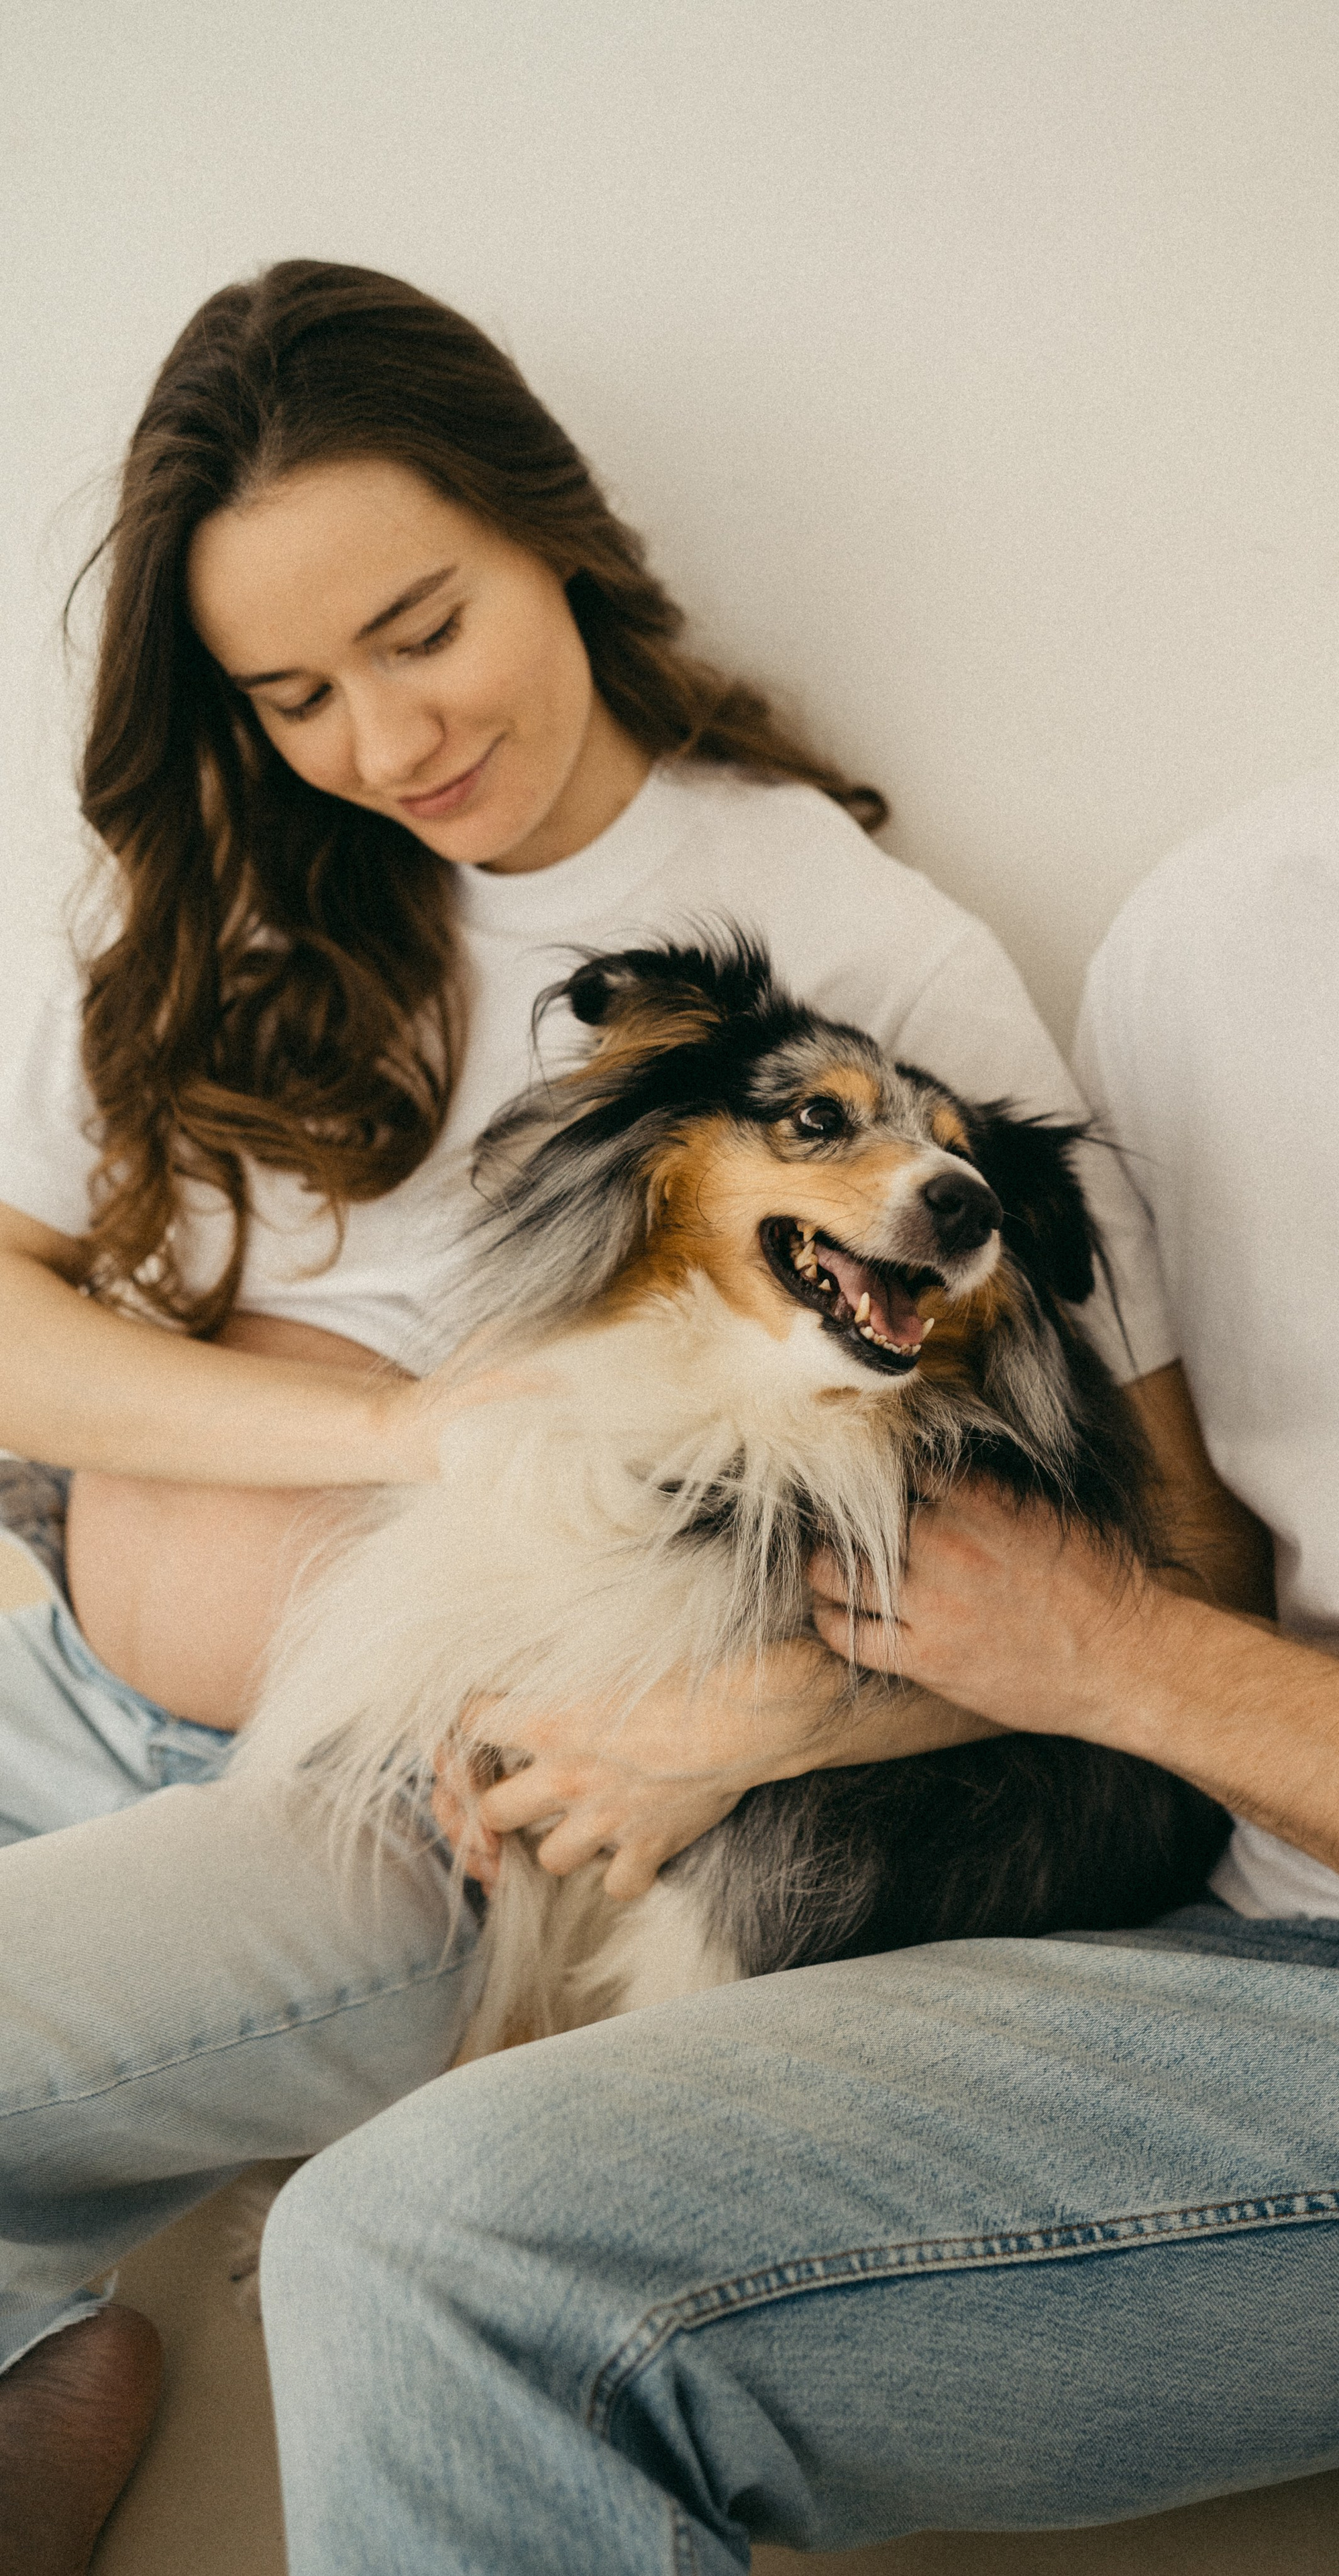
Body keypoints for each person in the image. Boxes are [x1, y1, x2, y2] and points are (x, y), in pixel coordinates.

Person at [248, 263, 1339, 2569]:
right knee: (410, 2249)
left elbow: (1147, 1632)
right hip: (1248, 1987)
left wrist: (1127, 1669)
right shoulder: (1231, 938)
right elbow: (1142, 1516)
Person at [0, 260, 1162, 2576]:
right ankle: (41, 2339)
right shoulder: (240, 881)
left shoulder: (848, 949)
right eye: (296, 691)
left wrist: (759, 1720)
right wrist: (402, 1439)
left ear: (551, 528)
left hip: (443, 1795)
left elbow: (1157, 1558)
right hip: (55, 1663)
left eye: (422, 628)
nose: (385, 738)